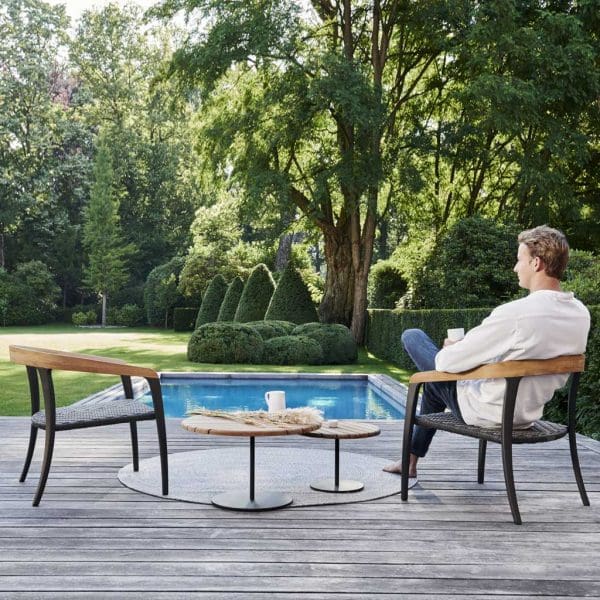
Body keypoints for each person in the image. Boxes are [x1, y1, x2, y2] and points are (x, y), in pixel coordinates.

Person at [384, 225, 590, 477]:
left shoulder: (516, 314)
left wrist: (455, 349)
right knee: (434, 388)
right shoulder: (580, 314)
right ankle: (410, 462)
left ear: (536, 263)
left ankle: (409, 462)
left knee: (413, 337)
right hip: (526, 415)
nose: (515, 268)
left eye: (519, 260)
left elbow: (446, 363)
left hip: (487, 411)